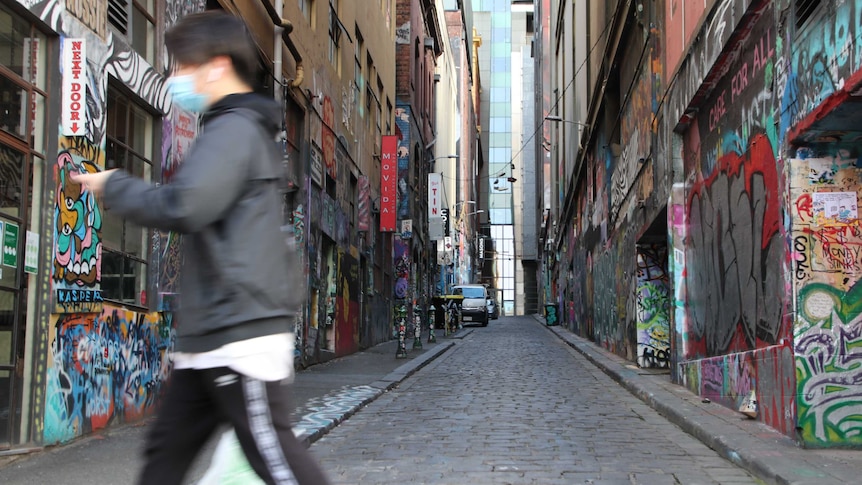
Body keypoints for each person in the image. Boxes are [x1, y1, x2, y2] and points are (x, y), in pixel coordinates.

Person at [73, 11, 330, 485]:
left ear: (215, 66)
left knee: (274, 460)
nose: (176, 78)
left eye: (182, 66)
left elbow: (186, 204)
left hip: (241, 337)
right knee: (163, 459)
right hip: (210, 338)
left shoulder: (233, 130)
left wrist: (115, 185)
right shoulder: (229, 127)